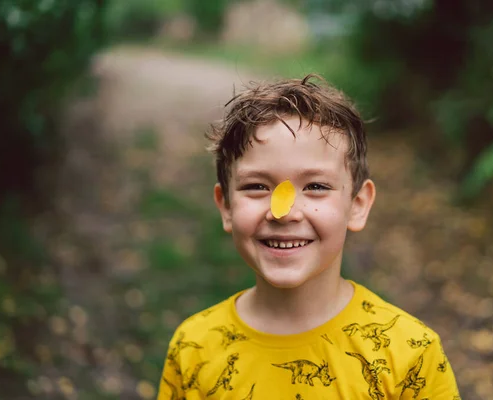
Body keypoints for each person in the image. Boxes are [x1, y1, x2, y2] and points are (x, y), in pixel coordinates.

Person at [156, 74, 461, 399]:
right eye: (257, 186)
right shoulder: (193, 347)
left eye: (316, 187)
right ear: (226, 207)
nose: (284, 212)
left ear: (357, 205)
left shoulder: (410, 355)